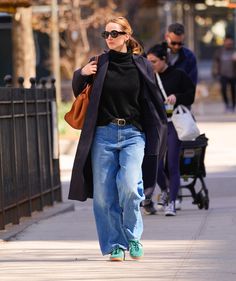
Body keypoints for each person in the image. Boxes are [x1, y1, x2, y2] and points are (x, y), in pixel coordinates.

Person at [68, 17, 167, 261]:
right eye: (106, 34)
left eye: (114, 33)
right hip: (103, 134)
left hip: (133, 134)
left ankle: (133, 238)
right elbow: (78, 90)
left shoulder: (142, 65)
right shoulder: (98, 64)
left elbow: (152, 101)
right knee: (103, 196)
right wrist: (81, 73)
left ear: (126, 36)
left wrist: (157, 132)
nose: (109, 38)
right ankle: (114, 244)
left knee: (131, 187)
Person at [146, 42, 196, 216]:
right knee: (157, 166)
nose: (150, 65)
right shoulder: (148, 77)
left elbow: (191, 94)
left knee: (173, 164)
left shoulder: (178, 75)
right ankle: (165, 190)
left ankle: (172, 203)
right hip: (156, 125)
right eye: (148, 61)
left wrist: (177, 97)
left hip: (174, 123)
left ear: (164, 59)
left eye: (153, 61)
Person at [212, 35, 236, 113]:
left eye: (230, 42)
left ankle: (233, 106)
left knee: (234, 90)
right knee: (224, 89)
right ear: (224, 42)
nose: (229, 43)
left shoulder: (234, 51)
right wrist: (215, 73)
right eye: (227, 41)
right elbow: (215, 63)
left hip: (233, 74)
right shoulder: (220, 51)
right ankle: (226, 105)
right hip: (223, 75)